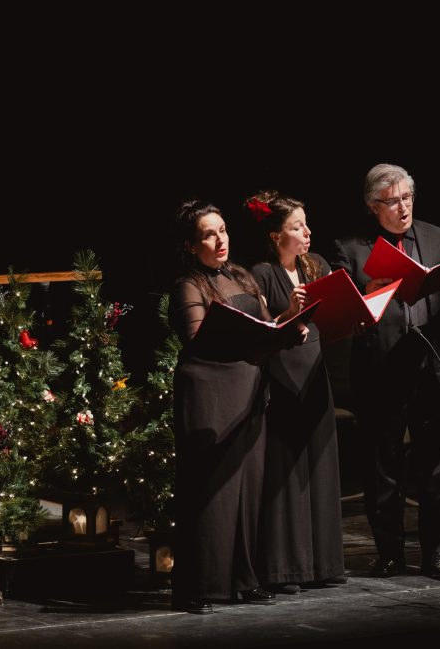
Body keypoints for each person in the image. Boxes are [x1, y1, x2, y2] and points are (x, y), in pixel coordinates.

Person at [331, 163, 440, 580]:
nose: (403, 207)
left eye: (407, 198)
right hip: (382, 369)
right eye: (392, 201)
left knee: (437, 469)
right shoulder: (352, 247)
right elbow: (347, 309)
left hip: (435, 366)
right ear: (373, 206)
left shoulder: (438, 236)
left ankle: (437, 555)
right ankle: (390, 554)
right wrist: (369, 293)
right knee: (383, 470)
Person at [168, 200, 305, 613]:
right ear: (192, 245)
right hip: (209, 395)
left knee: (249, 490)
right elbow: (198, 339)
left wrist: (291, 320)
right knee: (212, 493)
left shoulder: (242, 276)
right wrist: (257, 336)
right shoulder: (188, 285)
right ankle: (198, 586)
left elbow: (266, 328)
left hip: (249, 393)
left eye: (223, 230)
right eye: (209, 234)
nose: (220, 239)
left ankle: (245, 579)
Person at [244, 191, 346, 595]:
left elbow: (334, 312)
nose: (307, 232)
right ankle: (287, 568)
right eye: (296, 226)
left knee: (319, 467)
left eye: (306, 224)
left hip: (314, 370)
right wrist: (287, 314)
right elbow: (263, 330)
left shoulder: (315, 265)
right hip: (283, 375)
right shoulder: (261, 273)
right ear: (275, 235)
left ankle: (323, 562)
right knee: (287, 473)